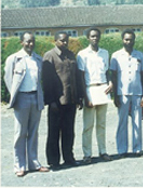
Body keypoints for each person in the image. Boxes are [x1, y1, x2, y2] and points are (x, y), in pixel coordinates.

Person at [4, 31, 49, 177]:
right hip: (21, 98)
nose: (30, 44)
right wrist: (14, 96)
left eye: (32, 41)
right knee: (20, 133)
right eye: (27, 41)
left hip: (35, 97)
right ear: (22, 42)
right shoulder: (14, 59)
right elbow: (8, 78)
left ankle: (33, 162)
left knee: (34, 132)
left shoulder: (38, 59)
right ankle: (19, 165)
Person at [42, 31, 83, 171]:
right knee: (54, 132)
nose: (64, 43)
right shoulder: (50, 56)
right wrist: (51, 101)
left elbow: (77, 77)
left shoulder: (71, 55)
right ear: (55, 41)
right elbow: (46, 81)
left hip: (70, 100)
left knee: (69, 131)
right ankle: (54, 161)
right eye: (61, 40)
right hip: (57, 102)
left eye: (66, 40)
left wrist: (79, 97)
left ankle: (69, 158)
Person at [77, 27, 113, 163]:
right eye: (92, 36)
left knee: (102, 124)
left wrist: (110, 83)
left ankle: (103, 151)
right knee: (88, 125)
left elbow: (107, 71)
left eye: (97, 36)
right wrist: (85, 97)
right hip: (90, 90)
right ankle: (87, 154)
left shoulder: (105, 53)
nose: (95, 38)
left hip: (103, 89)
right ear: (88, 38)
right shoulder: (82, 54)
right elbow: (80, 76)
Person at [110, 29, 143, 157]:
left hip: (137, 92)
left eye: (131, 39)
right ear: (122, 40)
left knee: (137, 121)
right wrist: (115, 95)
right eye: (126, 39)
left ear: (134, 40)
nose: (128, 42)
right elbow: (113, 77)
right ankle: (122, 149)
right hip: (122, 93)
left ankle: (137, 149)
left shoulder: (140, 55)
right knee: (122, 122)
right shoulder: (116, 56)